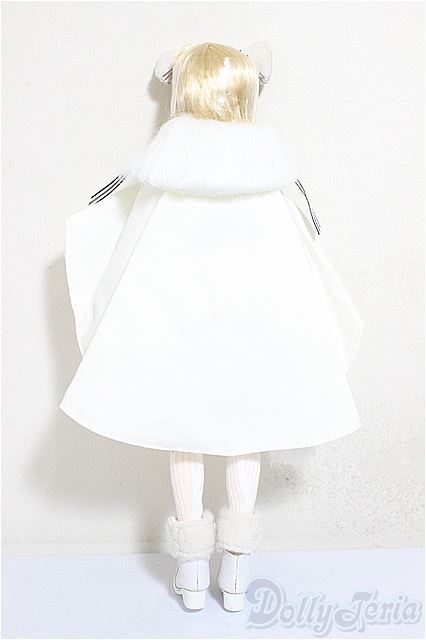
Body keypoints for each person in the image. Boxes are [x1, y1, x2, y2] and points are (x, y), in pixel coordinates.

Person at [59, 41, 363, 611]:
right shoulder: (270, 176)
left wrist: (90, 234)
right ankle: (237, 575)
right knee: (248, 434)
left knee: (185, 434)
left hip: (178, 328)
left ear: (181, 87)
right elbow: (307, 244)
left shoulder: (166, 169)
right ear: (251, 89)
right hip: (258, 329)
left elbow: (122, 233)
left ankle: (193, 573)